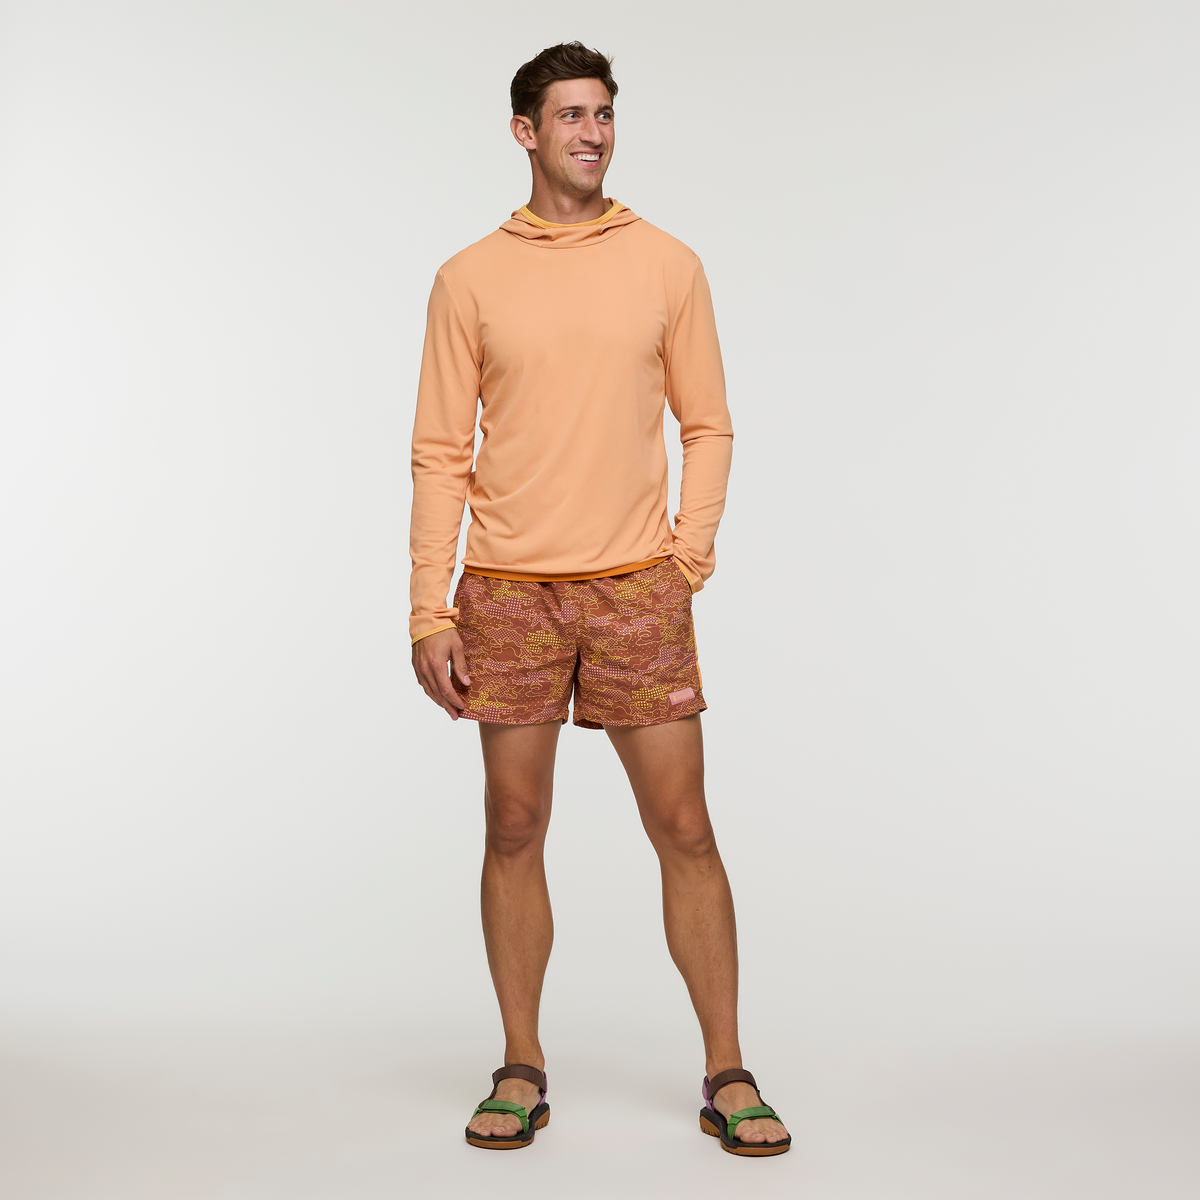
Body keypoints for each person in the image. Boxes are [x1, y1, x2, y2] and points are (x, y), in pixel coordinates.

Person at [408, 41, 790, 1157]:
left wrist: (686, 560)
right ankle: (520, 1063)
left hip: (635, 590)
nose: (592, 132)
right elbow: (440, 452)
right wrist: (429, 608)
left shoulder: (667, 263)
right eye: (571, 115)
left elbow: (708, 423)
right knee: (513, 824)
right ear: (524, 131)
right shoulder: (469, 278)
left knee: (685, 826)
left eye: (604, 114)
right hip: (507, 592)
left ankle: (727, 1069)